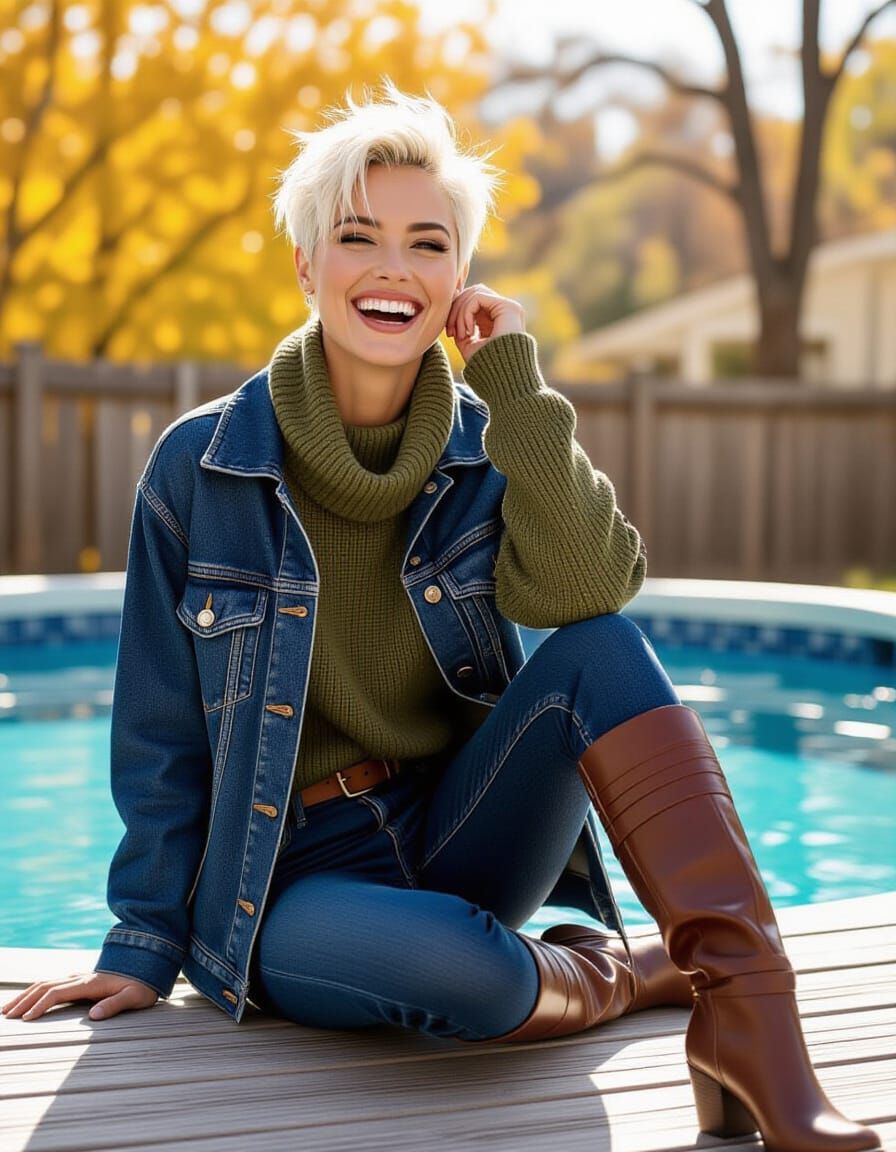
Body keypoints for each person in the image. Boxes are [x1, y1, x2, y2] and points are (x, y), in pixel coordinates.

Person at [3, 82, 878, 1152]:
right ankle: (620, 968)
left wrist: (513, 385)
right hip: (292, 880)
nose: (391, 268)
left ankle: (752, 1020)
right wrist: (143, 942)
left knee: (601, 649)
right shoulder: (200, 466)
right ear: (306, 263)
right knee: (460, 976)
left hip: (459, 826)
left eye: (427, 244)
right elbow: (157, 729)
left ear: (456, 279)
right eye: (356, 235)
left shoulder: (483, 443)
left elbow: (591, 591)